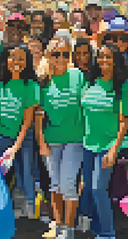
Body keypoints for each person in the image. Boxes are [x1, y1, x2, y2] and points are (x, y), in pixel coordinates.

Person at [81, 43, 128, 239]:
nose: (103, 61)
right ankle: (97, 228)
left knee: (98, 189)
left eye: (108, 57)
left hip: (108, 146)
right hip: (88, 145)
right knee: (89, 188)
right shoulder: (90, 82)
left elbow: (126, 121)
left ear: (116, 60)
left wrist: (114, 149)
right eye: (101, 56)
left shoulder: (124, 88)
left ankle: (107, 233)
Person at [36, 38, 87, 239]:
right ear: (49, 56)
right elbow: (38, 115)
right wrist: (41, 142)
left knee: (67, 184)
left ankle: (69, 229)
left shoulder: (77, 75)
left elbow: (86, 103)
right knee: (55, 184)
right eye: (56, 54)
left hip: (75, 139)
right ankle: (57, 225)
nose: (61, 58)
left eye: (65, 54)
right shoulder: (43, 81)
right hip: (51, 140)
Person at [0, 44, 40, 218]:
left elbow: (27, 121)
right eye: (12, 57)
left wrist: (16, 146)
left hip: (22, 138)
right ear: (5, 59)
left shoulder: (31, 85)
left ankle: (29, 207)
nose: (16, 62)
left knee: (25, 172)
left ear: (27, 62)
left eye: (21, 58)